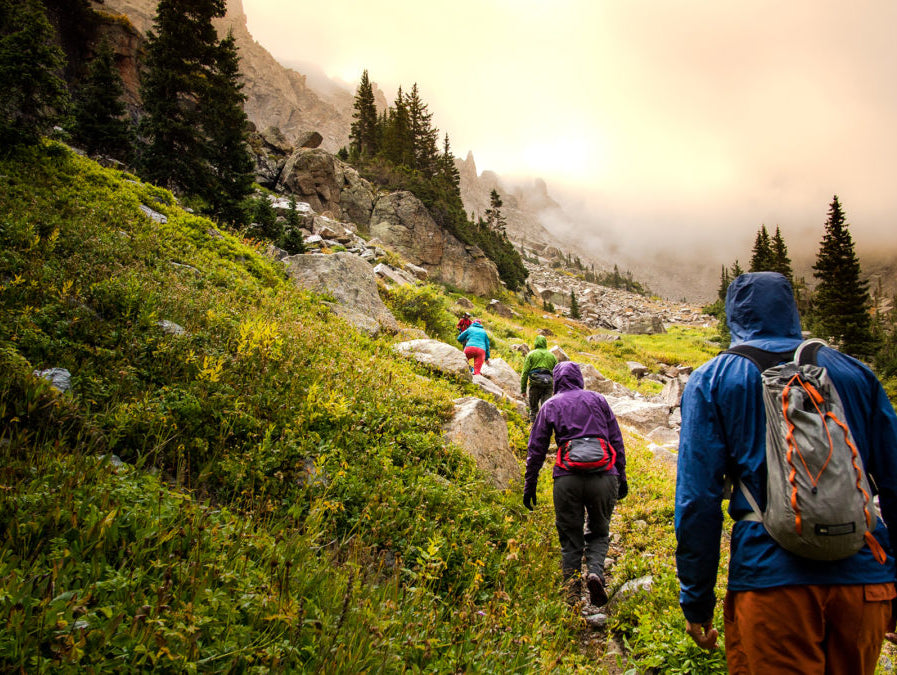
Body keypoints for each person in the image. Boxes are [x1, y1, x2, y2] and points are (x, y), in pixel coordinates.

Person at [675, 272, 897, 672]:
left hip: (771, 581)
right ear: (791, 311)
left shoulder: (713, 379)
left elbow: (697, 501)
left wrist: (696, 599)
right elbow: (893, 484)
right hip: (864, 580)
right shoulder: (856, 373)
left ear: (734, 317)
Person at [523, 361, 627, 606]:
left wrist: (530, 484)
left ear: (557, 380)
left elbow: (536, 448)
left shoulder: (551, 404)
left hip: (567, 477)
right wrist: (621, 477)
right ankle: (595, 573)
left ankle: (572, 593)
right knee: (599, 531)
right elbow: (616, 441)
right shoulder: (598, 400)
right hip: (604, 475)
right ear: (579, 378)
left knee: (570, 537)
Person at [520, 335, 558, 422]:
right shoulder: (552, 356)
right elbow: (557, 374)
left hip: (535, 384)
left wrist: (523, 389)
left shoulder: (531, 355)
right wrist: (556, 390)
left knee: (533, 409)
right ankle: (545, 429)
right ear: (545, 343)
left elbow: (525, 373)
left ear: (536, 343)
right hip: (548, 385)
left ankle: (532, 426)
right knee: (546, 408)